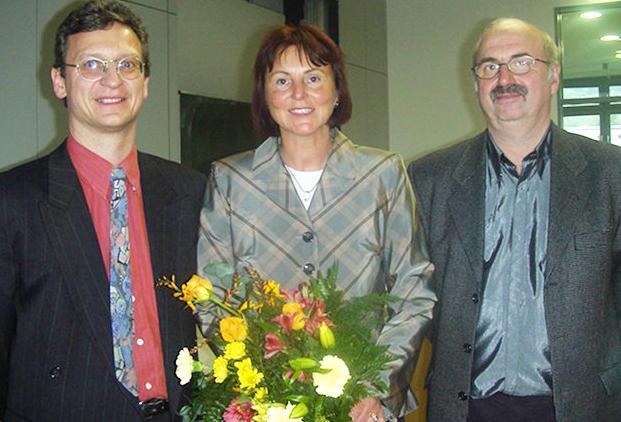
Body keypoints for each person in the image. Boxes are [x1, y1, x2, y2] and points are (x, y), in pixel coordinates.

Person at [197, 24, 435, 421]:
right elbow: (215, 297)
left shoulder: (382, 175)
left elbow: (415, 288)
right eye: (282, 81)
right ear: (264, 95)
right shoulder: (230, 182)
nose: (299, 94)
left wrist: (374, 387)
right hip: (269, 406)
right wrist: (267, 383)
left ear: (337, 89)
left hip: (366, 408)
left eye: (313, 78)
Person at [0, 1, 206, 420]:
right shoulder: (14, 201)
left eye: (127, 65)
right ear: (59, 81)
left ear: (145, 82)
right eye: (91, 64)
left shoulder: (191, 192)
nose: (112, 80)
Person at [408, 17, 621, 422]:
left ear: (553, 76)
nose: (504, 77)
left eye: (522, 62)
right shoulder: (429, 178)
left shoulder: (610, 174)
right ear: (476, 84)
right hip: (466, 407)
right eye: (490, 66)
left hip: (581, 405)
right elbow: (410, 301)